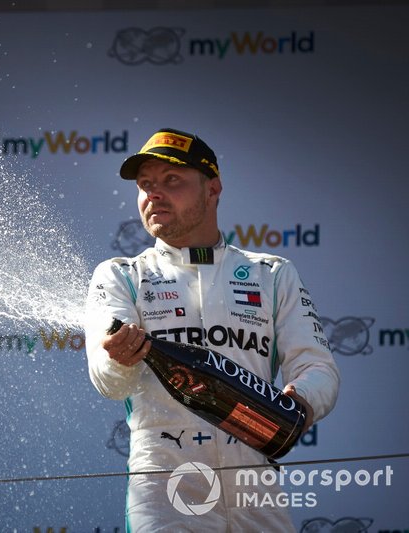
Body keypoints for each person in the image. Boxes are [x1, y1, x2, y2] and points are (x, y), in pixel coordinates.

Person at [84, 128, 340, 532]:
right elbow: (109, 382)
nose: (154, 193)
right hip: (164, 485)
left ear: (213, 189)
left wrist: (299, 404)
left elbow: (318, 368)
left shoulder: (270, 273)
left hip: (255, 483)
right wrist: (118, 359)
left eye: (172, 181)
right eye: (146, 184)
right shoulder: (121, 275)